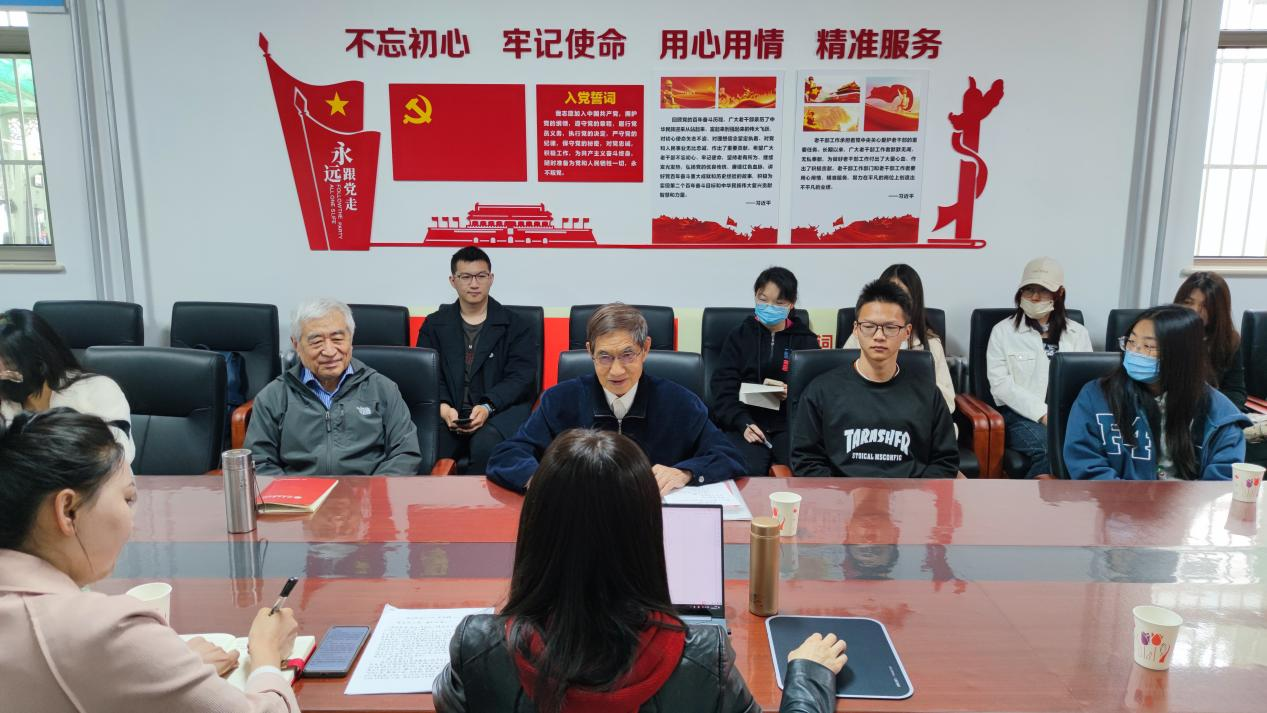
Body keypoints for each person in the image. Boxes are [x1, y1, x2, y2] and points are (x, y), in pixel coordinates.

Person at [435, 429, 843, 713]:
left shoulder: (478, 646)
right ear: (647, 535)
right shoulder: (702, 657)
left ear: (535, 530)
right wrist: (809, 675)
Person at [0, 408, 301, 711]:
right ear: (68, 510)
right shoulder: (104, 631)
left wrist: (165, 669)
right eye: (127, 498)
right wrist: (267, 655)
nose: (133, 523)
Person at [487, 303, 743, 494]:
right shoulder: (559, 400)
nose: (616, 371)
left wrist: (685, 472)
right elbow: (507, 455)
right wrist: (543, 482)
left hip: (652, 523)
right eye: (605, 356)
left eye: (628, 355)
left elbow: (728, 456)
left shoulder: (681, 403)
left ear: (646, 349)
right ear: (590, 352)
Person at [791, 279, 958, 477]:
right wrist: (841, 493)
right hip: (842, 495)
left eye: (890, 327)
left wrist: (914, 494)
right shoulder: (821, 391)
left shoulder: (928, 394)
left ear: (906, 332)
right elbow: (805, 460)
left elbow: (944, 461)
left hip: (910, 494)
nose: (879, 336)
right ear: (856, 329)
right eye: (869, 326)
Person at [1064, 306, 1249, 480]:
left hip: (1189, 503)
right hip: (1114, 501)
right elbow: (1087, 465)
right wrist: (1132, 501)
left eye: (1149, 346)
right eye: (1131, 341)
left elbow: (1221, 483)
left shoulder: (1220, 416)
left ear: (1181, 356)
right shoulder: (1096, 397)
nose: (1135, 351)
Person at [244, 298, 422, 475]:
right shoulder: (273, 396)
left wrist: (374, 490)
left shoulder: (383, 389)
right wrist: (293, 492)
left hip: (367, 490)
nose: (329, 351)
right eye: (316, 341)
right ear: (296, 344)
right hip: (299, 492)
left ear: (351, 339)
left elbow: (405, 454)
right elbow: (259, 462)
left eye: (337, 339)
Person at [417, 247, 537, 474]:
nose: (474, 284)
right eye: (466, 277)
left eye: (481, 276)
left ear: (491, 278)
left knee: (487, 446)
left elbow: (521, 378)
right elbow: (426, 375)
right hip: (448, 412)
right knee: (428, 451)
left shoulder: (517, 325)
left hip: (498, 412)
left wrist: (487, 406)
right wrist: (443, 408)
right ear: (453, 280)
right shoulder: (434, 325)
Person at [986, 257, 1092, 477]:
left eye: (1043, 290)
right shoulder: (1002, 331)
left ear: (1059, 293)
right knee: (1048, 449)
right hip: (1019, 414)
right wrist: (1043, 413)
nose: (1034, 297)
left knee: (1089, 448)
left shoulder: (1078, 333)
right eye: (1029, 289)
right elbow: (1000, 385)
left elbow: (1087, 382)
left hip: (1069, 414)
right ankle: (1029, 499)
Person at [710, 267, 820, 475]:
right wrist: (743, 422)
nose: (769, 307)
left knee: (803, 470)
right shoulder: (739, 336)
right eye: (763, 299)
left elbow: (817, 394)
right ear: (755, 296)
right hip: (745, 423)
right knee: (741, 469)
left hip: (790, 427)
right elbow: (723, 389)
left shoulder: (806, 341)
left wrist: (791, 392)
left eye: (779, 303)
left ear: (791, 304)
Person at [0, 308, 134, 462]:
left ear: (40, 363)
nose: (3, 376)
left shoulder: (97, 390)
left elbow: (115, 457)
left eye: (9, 366)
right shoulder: (7, 403)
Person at [845, 264, 955, 414]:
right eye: (890, 294)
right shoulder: (861, 334)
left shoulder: (931, 344)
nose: (896, 302)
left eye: (902, 296)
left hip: (914, 416)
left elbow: (947, 402)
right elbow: (843, 383)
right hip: (866, 412)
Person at [1173, 271, 1246, 410]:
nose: (1195, 310)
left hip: (1209, 411)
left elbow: (1235, 391)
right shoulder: (1163, 332)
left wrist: (1220, 413)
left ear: (1218, 310)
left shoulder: (1229, 340)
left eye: (1205, 306)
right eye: (1188, 302)